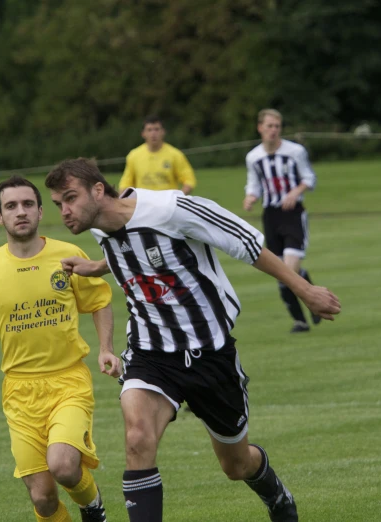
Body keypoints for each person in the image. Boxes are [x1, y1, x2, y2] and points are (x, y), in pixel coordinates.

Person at [44, 159, 341, 522]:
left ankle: (275, 493)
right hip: (150, 352)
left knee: (236, 464)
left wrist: (305, 290)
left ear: (98, 190)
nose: (65, 211)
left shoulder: (170, 208)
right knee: (137, 439)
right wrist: (99, 265)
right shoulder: (100, 228)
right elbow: (130, 248)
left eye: (70, 199)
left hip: (209, 352)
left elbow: (245, 242)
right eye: (59, 204)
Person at [0, 176, 121, 522]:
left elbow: (99, 301)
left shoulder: (68, 255)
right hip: (19, 392)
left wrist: (105, 348)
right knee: (43, 498)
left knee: (64, 466)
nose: (20, 212)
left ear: (39, 212)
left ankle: (93, 508)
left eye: (27, 204)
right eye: (10, 206)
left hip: (68, 382)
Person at [244, 109, 320, 333]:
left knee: (288, 270)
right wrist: (250, 197)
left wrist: (295, 193)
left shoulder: (295, 151)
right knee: (281, 273)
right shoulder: (253, 157)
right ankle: (301, 319)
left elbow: (310, 178)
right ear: (260, 128)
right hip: (271, 216)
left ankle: (311, 305)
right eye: (269, 126)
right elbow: (254, 184)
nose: (273, 130)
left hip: (293, 214)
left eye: (277, 126)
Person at [118, 115, 197, 195]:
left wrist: (178, 198)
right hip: (144, 204)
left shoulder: (175, 155)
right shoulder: (133, 156)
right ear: (143, 134)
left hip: (167, 204)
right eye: (149, 130)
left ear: (163, 132)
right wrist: (122, 201)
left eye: (156, 129)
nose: (153, 133)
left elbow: (189, 180)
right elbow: (125, 184)